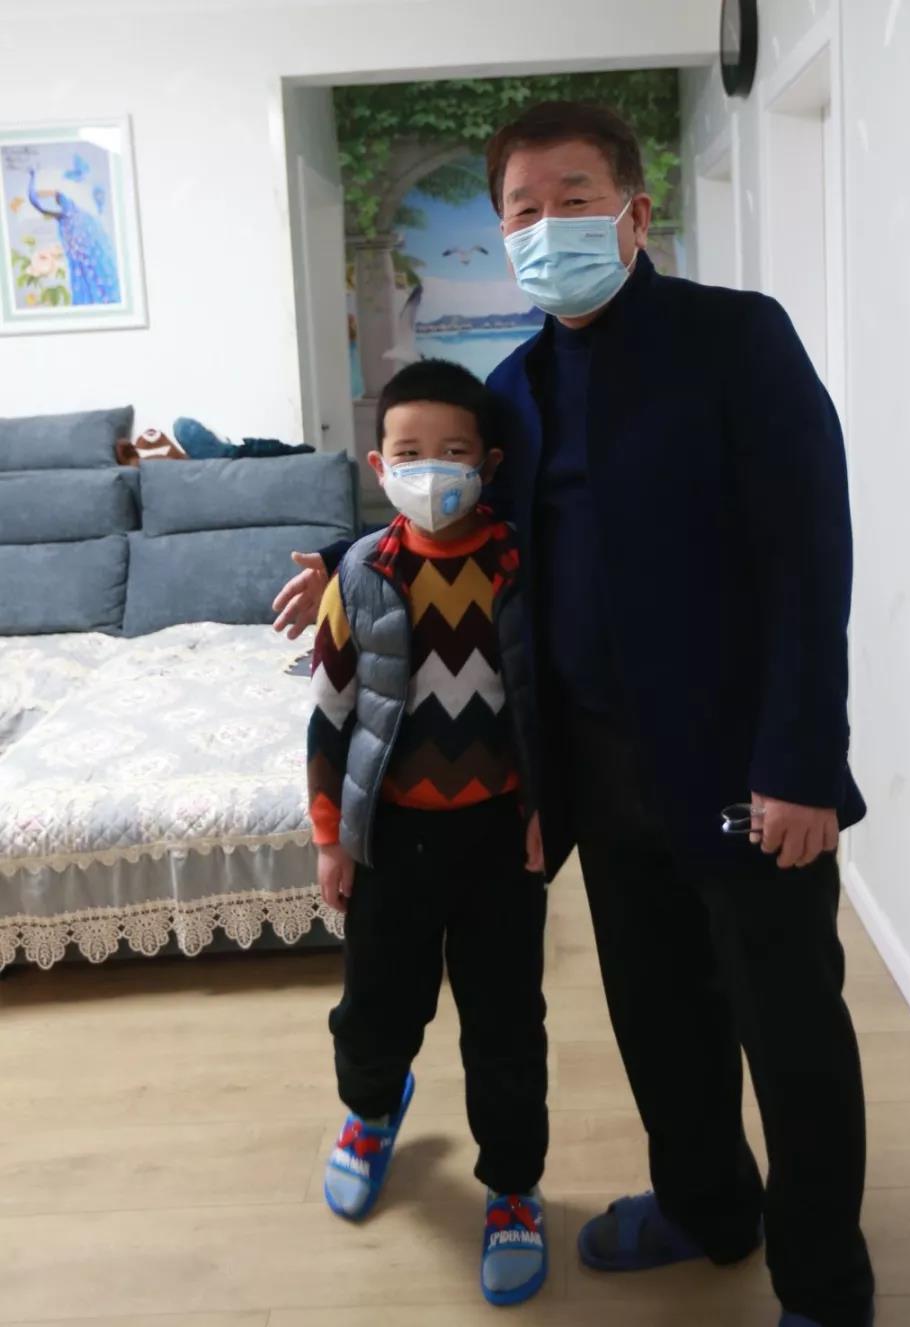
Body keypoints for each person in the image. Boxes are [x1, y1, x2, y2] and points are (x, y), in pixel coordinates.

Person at [279, 102, 874, 1327]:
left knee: (790, 1032)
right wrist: (344, 557)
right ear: (505, 236)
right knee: (660, 1017)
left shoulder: (737, 341)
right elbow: (459, 514)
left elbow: (810, 556)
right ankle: (707, 1205)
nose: (550, 225)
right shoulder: (517, 391)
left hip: (744, 766)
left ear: (635, 213)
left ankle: (825, 1281)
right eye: (524, 210)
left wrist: (804, 761)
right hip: (596, 772)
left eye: (577, 199)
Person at [307, 359, 549, 1308]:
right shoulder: (363, 573)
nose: (432, 469)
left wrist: (547, 812)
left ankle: (513, 1186)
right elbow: (329, 716)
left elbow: (548, 707)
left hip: (499, 843)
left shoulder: (522, 565)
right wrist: (331, 837)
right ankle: (371, 1112)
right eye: (410, 453)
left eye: (454, 451)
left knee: (506, 1025)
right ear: (379, 465)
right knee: (376, 1005)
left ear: (489, 464)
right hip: (391, 841)